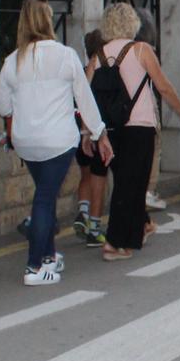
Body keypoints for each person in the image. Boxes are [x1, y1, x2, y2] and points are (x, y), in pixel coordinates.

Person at [0, 0, 111, 286]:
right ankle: (35, 266)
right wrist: (99, 133)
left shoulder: (12, 61)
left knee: (44, 196)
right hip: (58, 141)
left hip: (26, 141)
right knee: (45, 198)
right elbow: (84, 98)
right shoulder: (65, 55)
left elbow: (2, 106)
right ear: (48, 22)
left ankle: (48, 255)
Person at [91, 1, 180, 260]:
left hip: (109, 129)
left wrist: (87, 133)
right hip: (139, 126)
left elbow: (87, 98)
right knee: (132, 184)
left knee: (125, 182)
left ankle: (138, 230)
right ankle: (115, 243)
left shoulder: (97, 56)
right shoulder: (141, 50)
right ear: (132, 23)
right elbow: (164, 87)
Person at [73, 29, 110, 244]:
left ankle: (83, 212)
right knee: (99, 175)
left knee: (85, 173)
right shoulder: (103, 69)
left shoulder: (83, 69)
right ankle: (94, 226)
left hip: (79, 129)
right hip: (97, 130)